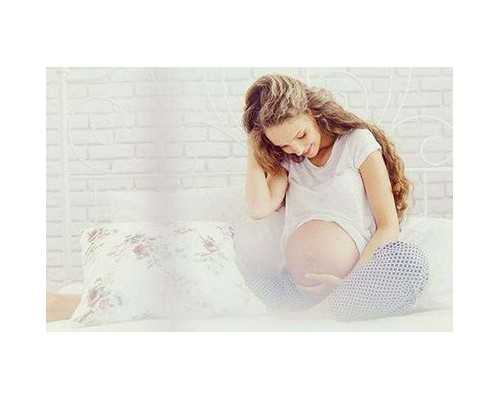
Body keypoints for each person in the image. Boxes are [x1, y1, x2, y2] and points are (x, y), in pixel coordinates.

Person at [242, 74, 429, 320]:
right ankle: (315, 314)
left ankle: (328, 310)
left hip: (354, 287)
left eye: (301, 135)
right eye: (284, 145)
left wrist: (350, 285)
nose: (297, 149)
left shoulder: (357, 142)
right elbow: (258, 208)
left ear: (312, 112)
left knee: (409, 262)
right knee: (240, 275)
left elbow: (388, 225)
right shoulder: (288, 160)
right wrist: (255, 147)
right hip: (295, 290)